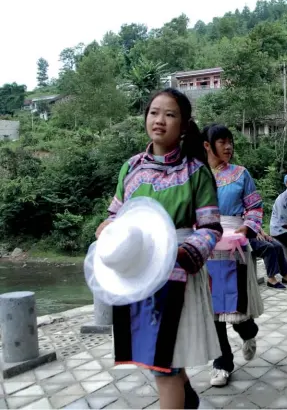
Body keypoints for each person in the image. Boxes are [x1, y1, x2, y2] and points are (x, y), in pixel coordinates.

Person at [94, 88, 223, 409]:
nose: (160, 120)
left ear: (183, 124)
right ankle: (188, 398)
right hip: (138, 276)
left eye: (170, 114)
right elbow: (115, 215)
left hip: (177, 275)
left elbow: (210, 229)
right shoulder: (131, 168)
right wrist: (105, 230)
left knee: (163, 363)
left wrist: (179, 255)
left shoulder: (196, 172)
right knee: (159, 361)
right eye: (154, 112)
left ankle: (183, 398)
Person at [201, 124, 287, 387]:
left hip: (235, 244)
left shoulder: (241, 174)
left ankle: (249, 332)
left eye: (230, 141)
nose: (229, 146)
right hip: (204, 247)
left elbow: (255, 208)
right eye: (222, 142)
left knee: (237, 308)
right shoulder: (195, 177)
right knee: (212, 310)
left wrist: (247, 228)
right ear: (207, 146)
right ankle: (222, 364)